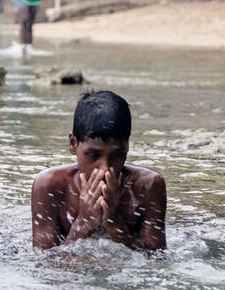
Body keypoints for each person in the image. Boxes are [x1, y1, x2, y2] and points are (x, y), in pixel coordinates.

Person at [30, 90, 167, 251]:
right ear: (73, 144)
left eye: (117, 155)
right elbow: (44, 265)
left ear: (128, 147)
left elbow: (156, 263)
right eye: (94, 155)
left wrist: (113, 220)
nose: (105, 168)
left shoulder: (148, 186)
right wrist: (84, 221)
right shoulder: (49, 185)